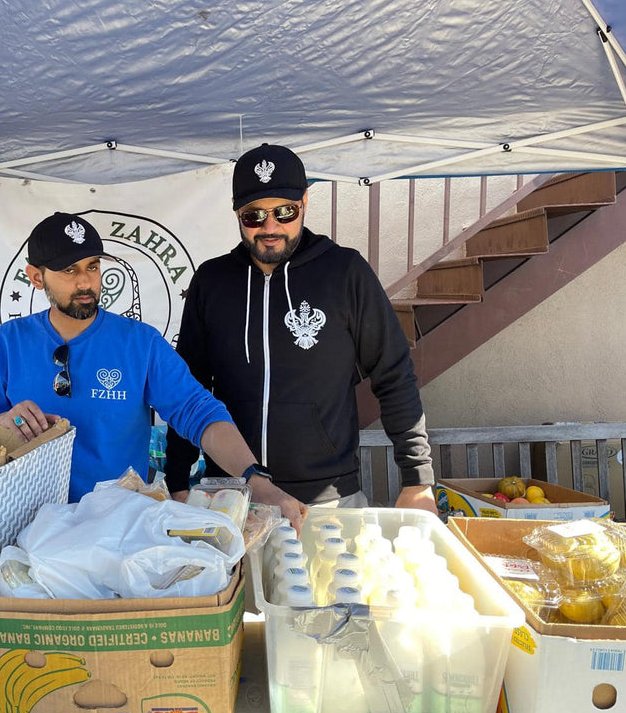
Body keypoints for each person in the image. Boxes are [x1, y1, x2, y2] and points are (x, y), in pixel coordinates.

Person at [0, 211, 308, 527]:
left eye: (92, 266)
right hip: (26, 525)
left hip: (117, 525)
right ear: (36, 277)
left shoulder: (138, 343)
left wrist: (255, 480)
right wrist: (2, 422)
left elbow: (198, 411)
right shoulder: (8, 341)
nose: (86, 282)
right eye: (69, 271)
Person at [165, 143, 437, 512]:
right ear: (237, 214)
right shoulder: (212, 281)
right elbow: (189, 386)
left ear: (305, 203)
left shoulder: (345, 272)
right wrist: (177, 480)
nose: (270, 226)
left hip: (328, 500)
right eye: (254, 216)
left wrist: (417, 478)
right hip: (231, 497)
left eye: (285, 211)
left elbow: (393, 374)